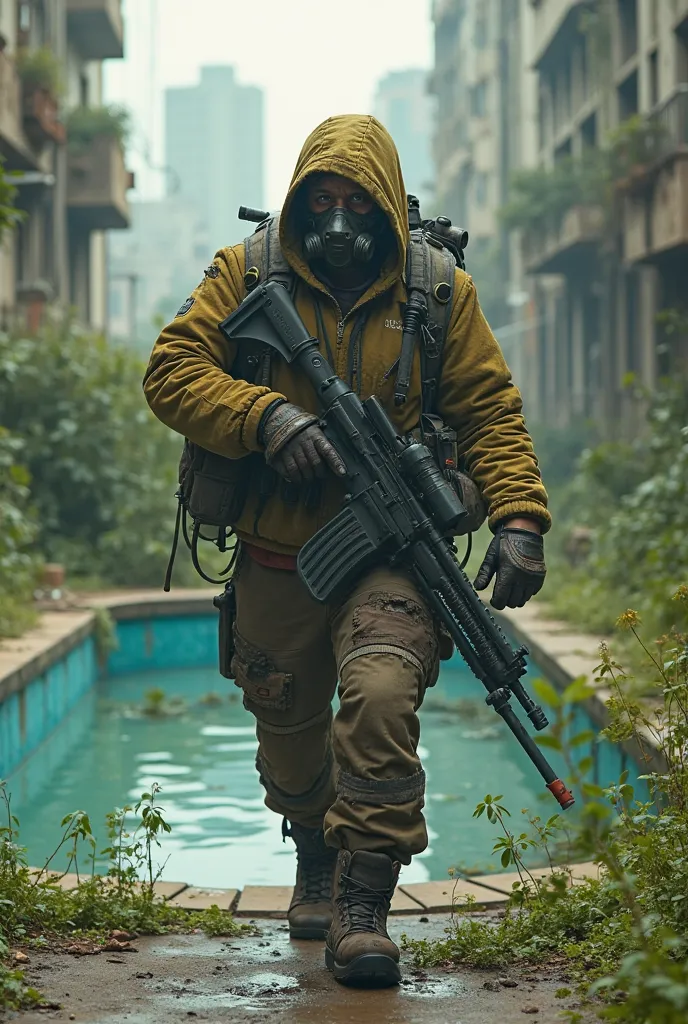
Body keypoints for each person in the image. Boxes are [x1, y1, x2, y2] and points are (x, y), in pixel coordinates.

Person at [143, 114, 550, 987]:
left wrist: (519, 518)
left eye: (355, 202)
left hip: (390, 556)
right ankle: (316, 858)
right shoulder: (246, 272)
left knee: (379, 696)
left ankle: (365, 901)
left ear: (387, 209)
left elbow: (488, 409)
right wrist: (267, 417)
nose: (337, 220)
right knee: (289, 738)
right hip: (277, 553)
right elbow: (172, 369)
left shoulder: (436, 291)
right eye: (319, 202)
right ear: (295, 205)